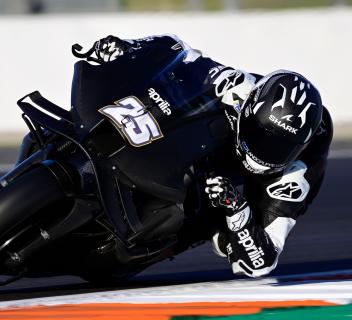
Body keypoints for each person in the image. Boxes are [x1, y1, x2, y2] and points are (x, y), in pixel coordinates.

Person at [92, 34, 333, 277]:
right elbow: (178, 51)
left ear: (299, 149)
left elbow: (263, 262)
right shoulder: (239, 87)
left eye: (279, 148)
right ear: (248, 109)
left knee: (222, 236)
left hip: (241, 189)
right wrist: (129, 48)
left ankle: (165, 238)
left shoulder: (296, 175)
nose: (263, 151)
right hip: (209, 144)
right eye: (260, 136)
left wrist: (236, 207)